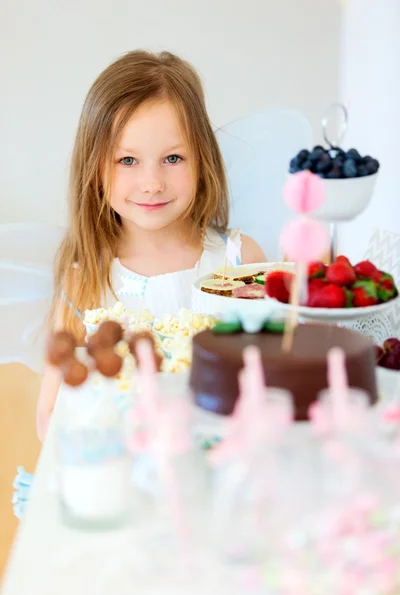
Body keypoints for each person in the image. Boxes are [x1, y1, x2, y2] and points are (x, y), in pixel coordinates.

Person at [13, 50, 265, 518]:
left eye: (172, 157)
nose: (151, 182)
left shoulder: (238, 260)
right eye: (127, 160)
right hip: (121, 493)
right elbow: (50, 413)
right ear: (95, 168)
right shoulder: (83, 273)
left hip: (216, 492)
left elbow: (266, 376)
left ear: (202, 159)